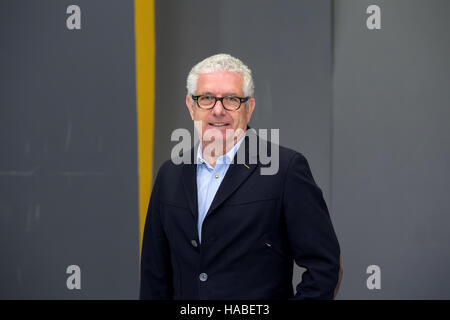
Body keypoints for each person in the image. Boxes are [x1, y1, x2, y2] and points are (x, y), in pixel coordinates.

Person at [140, 53, 341, 299]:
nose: (218, 110)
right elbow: (154, 276)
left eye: (231, 99)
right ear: (191, 107)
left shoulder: (284, 170)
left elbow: (325, 268)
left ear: (249, 108)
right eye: (206, 98)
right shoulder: (169, 175)